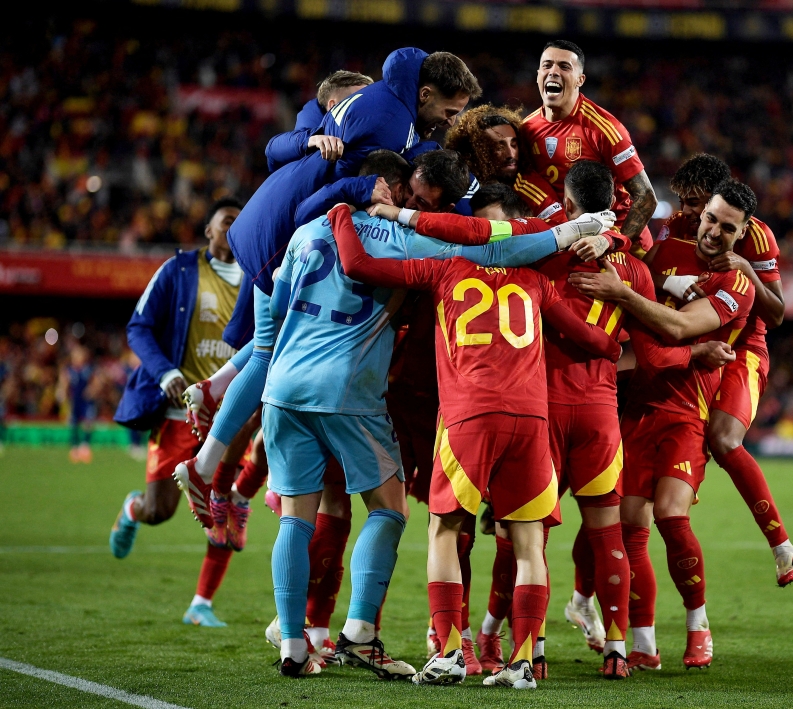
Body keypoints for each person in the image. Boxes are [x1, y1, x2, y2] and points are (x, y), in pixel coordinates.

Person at [176, 49, 482, 519]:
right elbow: (336, 187)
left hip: (273, 218)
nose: (450, 120)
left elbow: (283, 151)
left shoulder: (389, 107)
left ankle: (212, 412)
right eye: (449, 110)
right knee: (268, 354)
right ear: (424, 93)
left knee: (270, 347)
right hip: (285, 234)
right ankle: (209, 467)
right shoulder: (389, 122)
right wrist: (366, 190)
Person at [327, 202, 621, 689]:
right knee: (529, 543)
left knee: (444, 530)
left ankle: (448, 654)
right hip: (531, 420)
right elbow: (594, 340)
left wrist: (341, 212)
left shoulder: (443, 268)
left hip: (469, 415)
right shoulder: (536, 281)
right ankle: (521, 663)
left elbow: (358, 265)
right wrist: (621, 339)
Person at [570, 178, 758, 672]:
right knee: (630, 526)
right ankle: (644, 643)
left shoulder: (738, 283)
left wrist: (623, 294)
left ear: (743, 234)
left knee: (672, 516)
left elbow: (676, 327)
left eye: (728, 227)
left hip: (686, 410)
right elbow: (639, 288)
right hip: (637, 407)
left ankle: (699, 626)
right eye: (711, 218)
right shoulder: (665, 251)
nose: (714, 231)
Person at [647, 153, 793, 587]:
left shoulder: (756, 237)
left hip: (740, 347)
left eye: (696, 202)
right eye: (685, 201)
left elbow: (777, 314)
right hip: (691, 340)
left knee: (722, 438)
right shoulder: (678, 226)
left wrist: (747, 271)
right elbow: (647, 272)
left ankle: (783, 548)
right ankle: (586, 597)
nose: (688, 212)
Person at [109, 198, 255, 627]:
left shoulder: (258, 276)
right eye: (226, 220)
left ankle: (201, 604)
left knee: (225, 506)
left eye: (240, 222)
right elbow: (138, 326)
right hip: (178, 413)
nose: (233, 227)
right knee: (161, 511)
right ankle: (135, 509)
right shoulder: (179, 270)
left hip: (229, 416)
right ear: (208, 230)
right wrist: (166, 373)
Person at [521, 40, 656, 253]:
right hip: (567, 239)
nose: (553, 72)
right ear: (538, 75)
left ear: (580, 80)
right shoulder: (525, 130)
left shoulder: (605, 129)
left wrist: (612, 243)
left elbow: (646, 197)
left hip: (619, 240)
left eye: (564, 66)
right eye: (547, 65)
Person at [443, 104, 565, 222]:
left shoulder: (530, 187)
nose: (511, 154)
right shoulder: (461, 185)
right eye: (499, 147)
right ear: (478, 151)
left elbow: (559, 224)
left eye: (514, 145)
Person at [265, 70, 374, 172]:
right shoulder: (310, 141)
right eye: (359, 101)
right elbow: (272, 151)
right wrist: (312, 139)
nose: (368, 107)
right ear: (334, 106)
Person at [60, 345, 96, 463]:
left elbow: (95, 382)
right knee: (73, 423)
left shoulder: (88, 369)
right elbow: (64, 383)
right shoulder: (69, 370)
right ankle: (74, 448)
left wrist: (92, 390)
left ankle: (85, 446)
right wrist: (63, 394)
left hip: (86, 401)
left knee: (88, 423)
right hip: (74, 401)